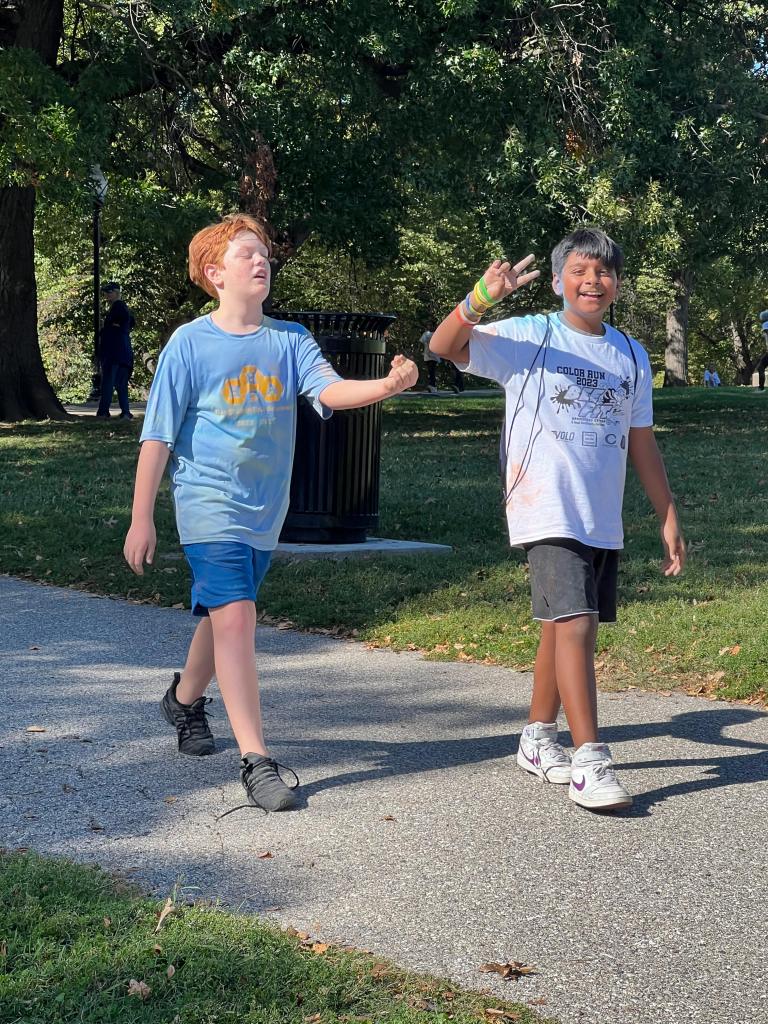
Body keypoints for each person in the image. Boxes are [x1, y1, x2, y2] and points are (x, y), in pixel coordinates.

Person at [123, 214, 418, 814]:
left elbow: (329, 391)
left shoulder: (290, 339)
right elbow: (157, 436)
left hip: (265, 510)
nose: (261, 262)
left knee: (222, 616)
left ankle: (183, 701)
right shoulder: (189, 343)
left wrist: (386, 386)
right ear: (214, 273)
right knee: (237, 617)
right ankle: (256, 761)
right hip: (207, 504)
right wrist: (141, 517)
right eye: (246, 254)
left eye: (264, 254)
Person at [429, 227, 685, 811]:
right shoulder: (529, 335)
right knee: (576, 622)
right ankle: (589, 760)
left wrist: (667, 514)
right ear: (556, 281)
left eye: (604, 272)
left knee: (558, 623)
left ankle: (537, 736)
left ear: (617, 283)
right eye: (579, 271)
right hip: (544, 505)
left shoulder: (630, 354)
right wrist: (479, 299)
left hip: (600, 513)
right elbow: (444, 346)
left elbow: (641, 440)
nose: (593, 281)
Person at [96, 282, 135, 419]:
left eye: (109, 292)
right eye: (105, 292)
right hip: (124, 353)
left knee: (108, 382)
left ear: (117, 292)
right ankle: (125, 412)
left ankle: (103, 411)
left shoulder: (118, 307)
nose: (106, 295)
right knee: (121, 384)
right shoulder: (124, 309)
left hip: (113, 353)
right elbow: (131, 322)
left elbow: (119, 323)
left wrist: (107, 329)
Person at [420, 325, 440, 392]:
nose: (430, 326)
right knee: (429, 371)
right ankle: (430, 385)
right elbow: (421, 343)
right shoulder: (426, 334)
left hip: (434, 356)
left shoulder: (437, 334)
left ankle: (433, 386)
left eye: (431, 325)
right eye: (428, 325)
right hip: (427, 355)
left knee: (432, 371)